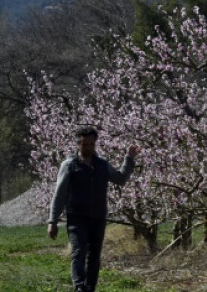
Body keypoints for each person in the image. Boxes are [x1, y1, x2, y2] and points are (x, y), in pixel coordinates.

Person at [47, 125, 140, 292]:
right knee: (78, 253)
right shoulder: (69, 165)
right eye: (84, 145)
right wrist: (52, 221)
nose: (88, 148)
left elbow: (120, 179)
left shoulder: (102, 165)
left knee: (94, 257)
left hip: (98, 218)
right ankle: (79, 288)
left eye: (91, 144)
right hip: (77, 218)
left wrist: (129, 158)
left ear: (95, 143)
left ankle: (90, 288)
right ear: (78, 144)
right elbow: (59, 195)